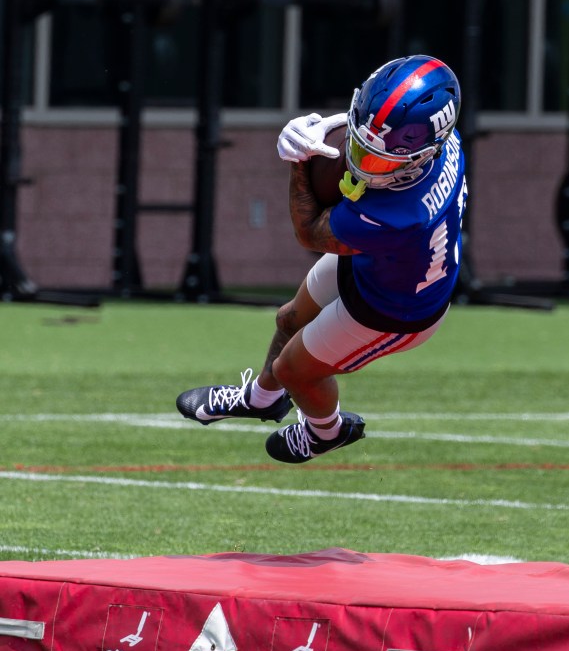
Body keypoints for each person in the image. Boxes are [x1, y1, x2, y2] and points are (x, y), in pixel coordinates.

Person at [176, 55, 466, 464]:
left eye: (379, 160)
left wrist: (299, 161)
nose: (364, 165)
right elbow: (371, 126)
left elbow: (308, 232)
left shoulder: (398, 214)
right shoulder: (443, 142)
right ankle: (262, 399)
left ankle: (325, 432)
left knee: (297, 369)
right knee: (289, 318)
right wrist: (322, 127)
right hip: (387, 266)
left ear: (422, 149)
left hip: (395, 310)